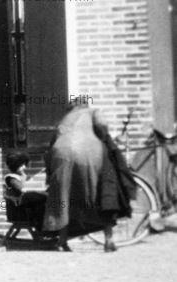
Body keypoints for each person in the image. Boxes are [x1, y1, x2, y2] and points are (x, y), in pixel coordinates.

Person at [43, 101, 135, 252]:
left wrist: (50, 172)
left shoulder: (65, 118)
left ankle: (62, 241)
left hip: (61, 154)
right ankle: (109, 240)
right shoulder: (93, 112)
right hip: (89, 152)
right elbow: (102, 126)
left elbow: (51, 146)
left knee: (63, 197)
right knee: (103, 193)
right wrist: (107, 139)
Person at [3, 150, 46, 232]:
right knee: (40, 206)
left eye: (24, 164)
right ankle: (42, 231)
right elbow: (22, 190)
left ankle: (42, 230)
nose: (24, 167)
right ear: (14, 165)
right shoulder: (11, 178)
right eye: (21, 165)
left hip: (21, 208)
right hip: (17, 211)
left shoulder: (17, 177)